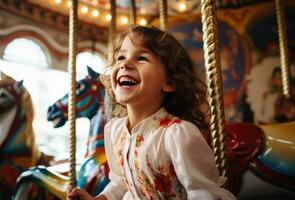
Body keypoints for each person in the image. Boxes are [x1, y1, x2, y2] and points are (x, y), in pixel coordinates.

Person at [68, 25, 236, 200]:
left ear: (169, 82)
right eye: (121, 57)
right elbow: (121, 183)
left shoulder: (177, 134)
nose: (125, 63)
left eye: (141, 58)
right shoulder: (115, 131)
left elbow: (204, 193)